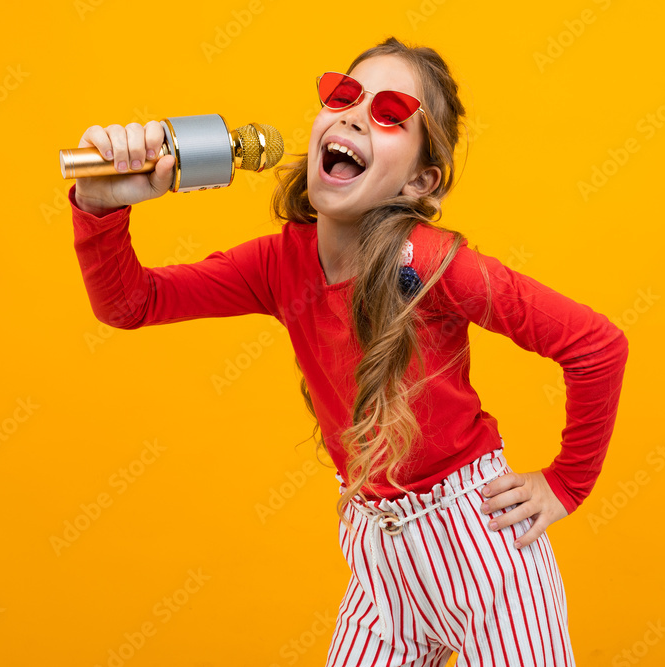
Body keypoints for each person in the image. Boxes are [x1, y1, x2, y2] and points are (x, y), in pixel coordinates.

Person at [68, 36, 627, 667]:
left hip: (484, 551)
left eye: (391, 112)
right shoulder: (279, 264)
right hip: (377, 561)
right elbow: (130, 304)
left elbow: (596, 345)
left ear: (421, 180)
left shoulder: (433, 265)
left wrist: (567, 483)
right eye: (344, 94)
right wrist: (101, 207)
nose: (356, 114)